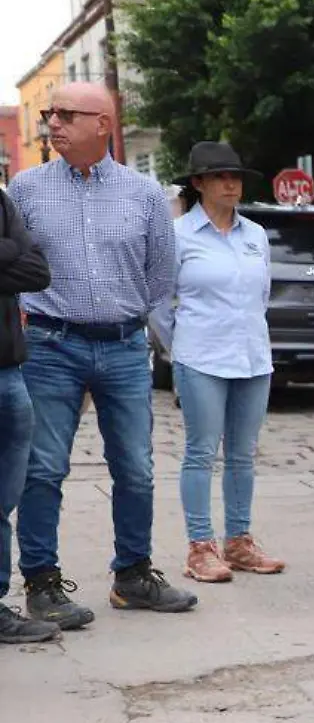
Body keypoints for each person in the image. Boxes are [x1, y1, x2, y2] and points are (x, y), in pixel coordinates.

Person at [11, 81, 197, 626]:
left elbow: (162, 272)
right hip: (50, 344)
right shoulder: (25, 189)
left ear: (103, 124)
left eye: (65, 115)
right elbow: (13, 263)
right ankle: (42, 583)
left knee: (136, 467)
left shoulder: (142, 195)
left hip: (121, 346)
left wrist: (131, 314)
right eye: (49, 114)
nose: (52, 124)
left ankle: (134, 575)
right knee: (42, 468)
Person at [150, 142, 286, 583]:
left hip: (252, 356)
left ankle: (240, 541)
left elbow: (260, 297)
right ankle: (200, 546)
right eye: (220, 176)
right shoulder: (179, 235)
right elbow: (157, 302)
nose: (231, 183)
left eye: (236, 176)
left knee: (243, 454)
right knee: (201, 452)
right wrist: (182, 343)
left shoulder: (255, 235)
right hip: (201, 357)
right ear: (198, 184)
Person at [0, 181, 57, 643]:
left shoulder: (0, 201)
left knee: (3, 496)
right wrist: (8, 251)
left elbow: (37, 271)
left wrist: (14, 251)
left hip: (8, 371)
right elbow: (19, 258)